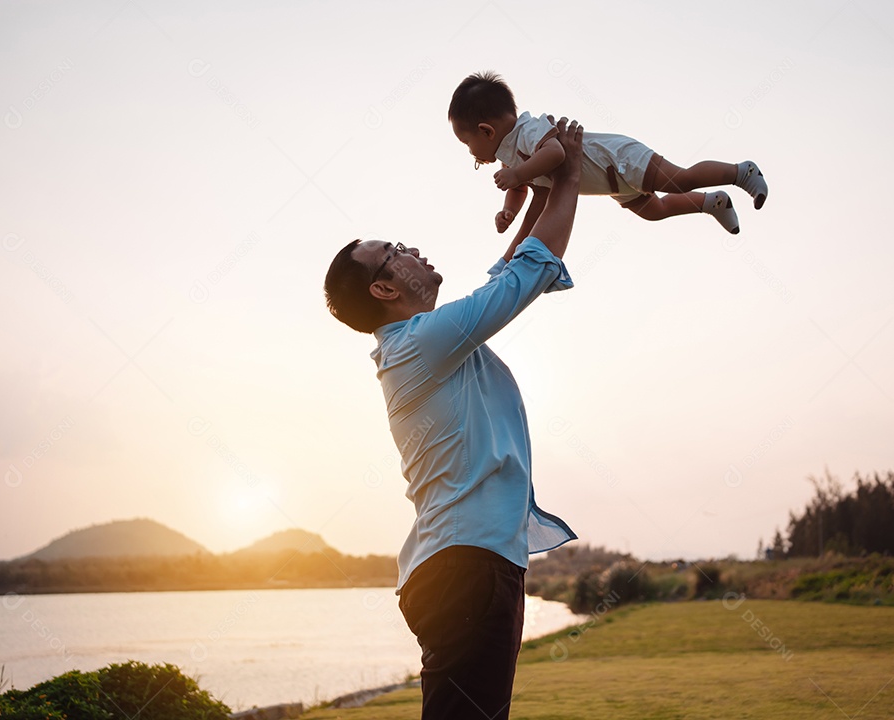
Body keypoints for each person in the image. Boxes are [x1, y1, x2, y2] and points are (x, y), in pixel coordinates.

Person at [323, 118, 586, 720]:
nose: (411, 250)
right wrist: (569, 173)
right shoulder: (417, 344)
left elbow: (510, 272)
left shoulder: (429, 344)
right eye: (394, 254)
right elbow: (525, 276)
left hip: (470, 563)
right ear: (386, 290)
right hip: (465, 565)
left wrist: (544, 191)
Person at [449, 70, 768, 242]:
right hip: (613, 185)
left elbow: (555, 152)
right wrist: (509, 210)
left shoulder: (528, 131)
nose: (470, 151)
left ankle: (741, 171)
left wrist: (518, 174)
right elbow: (523, 190)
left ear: (486, 130)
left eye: (467, 143)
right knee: (654, 210)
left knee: (680, 180)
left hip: (618, 159)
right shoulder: (512, 158)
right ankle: (712, 202)